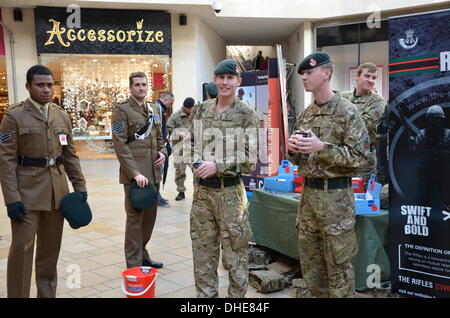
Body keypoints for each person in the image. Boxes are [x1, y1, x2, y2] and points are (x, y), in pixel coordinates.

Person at [0, 65, 87, 298]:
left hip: (56, 194)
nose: (46, 89)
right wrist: (11, 199)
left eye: (49, 84)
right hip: (26, 195)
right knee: (22, 251)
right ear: (28, 86)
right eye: (40, 85)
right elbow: (6, 160)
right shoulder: (14, 116)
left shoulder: (61, 115)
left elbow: (70, 155)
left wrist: (80, 187)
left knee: (49, 253)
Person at [287, 52, 369, 298]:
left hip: (336, 199)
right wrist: (293, 151)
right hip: (308, 197)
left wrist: (323, 148)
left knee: (339, 266)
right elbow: (298, 159)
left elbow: (360, 157)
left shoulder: (347, 112)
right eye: (302, 74)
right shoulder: (305, 115)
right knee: (312, 267)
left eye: (309, 72)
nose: (304, 78)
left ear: (326, 73)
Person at [190, 59, 260, 298]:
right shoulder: (201, 110)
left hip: (231, 196)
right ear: (215, 80)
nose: (225, 82)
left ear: (238, 81)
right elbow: (189, 143)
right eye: (220, 78)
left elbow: (250, 159)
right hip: (202, 196)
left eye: (230, 78)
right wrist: (195, 163)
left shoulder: (247, 114)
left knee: (235, 258)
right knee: (203, 255)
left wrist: (217, 166)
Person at [111, 71, 167, 269]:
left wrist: (163, 152)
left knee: (149, 220)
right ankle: (133, 265)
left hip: (153, 173)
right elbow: (120, 145)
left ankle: (143, 255)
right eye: (137, 85)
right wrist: (135, 173)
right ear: (131, 87)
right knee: (135, 222)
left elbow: (159, 135)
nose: (141, 88)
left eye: (144, 84)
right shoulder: (121, 110)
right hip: (136, 176)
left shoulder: (153, 107)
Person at [342, 62, 385, 185]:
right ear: (357, 76)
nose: (371, 80)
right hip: (341, 156)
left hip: (363, 160)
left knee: (360, 196)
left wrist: (342, 119)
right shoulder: (343, 97)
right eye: (367, 76)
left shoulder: (376, 101)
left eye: (373, 78)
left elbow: (364, 125)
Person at [167, 97, 195, 201]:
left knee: (197, 170)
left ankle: (198, 191)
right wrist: (178, 133)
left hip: (193, 149)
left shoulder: (195, 115)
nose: (191, 111)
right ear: (185, 108)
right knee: (180, 172)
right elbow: (168, 128)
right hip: (179, 150)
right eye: (190, 109)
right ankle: (181, 191)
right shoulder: (175, 116)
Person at [155, 92, 175, 207]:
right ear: (166, 100)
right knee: (159, 171)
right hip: (158, 146)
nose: (170, 105)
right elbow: (157, 127)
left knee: (160, 171)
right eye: (171, 103)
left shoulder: (160, 108)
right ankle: (156, 198)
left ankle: (158, 197)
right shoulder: (157, 108)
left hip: (161, 144)